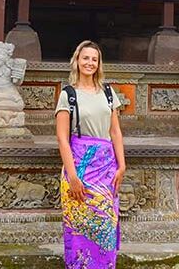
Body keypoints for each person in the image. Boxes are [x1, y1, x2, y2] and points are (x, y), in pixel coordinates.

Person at [54, 40, 125, 269]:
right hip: (80, 168)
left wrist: (122, 166)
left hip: (106, 169)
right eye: (85, 58)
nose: (90, 63)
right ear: (77, 61)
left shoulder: (108, 92)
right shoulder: (69, 95)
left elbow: (115, 131)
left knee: (105, 227)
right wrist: (73, 176)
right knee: (79, 228)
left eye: (94, 59)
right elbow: (62, 139)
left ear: (99, 63)